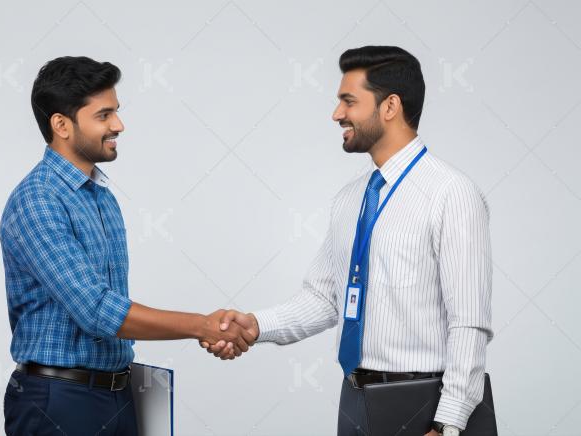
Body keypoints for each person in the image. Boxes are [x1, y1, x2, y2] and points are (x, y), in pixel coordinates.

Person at [203, 46, 494, 436]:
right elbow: (325, 298)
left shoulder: (451, 193)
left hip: (425, 403)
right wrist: (255, 326)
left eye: (348, 101)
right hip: (356, 398)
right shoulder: (349, 199)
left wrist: (449, 423)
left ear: (390, 106)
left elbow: (469, 323)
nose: (337, 114)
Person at [0, 56, 256, 435]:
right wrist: (202, 325)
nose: (118, 125)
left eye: (115, 112)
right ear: (61, 125)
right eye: (103, 115)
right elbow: (98, 310)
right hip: (60, 401)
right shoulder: (38, 199)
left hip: (117, 394)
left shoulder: (101, 196)